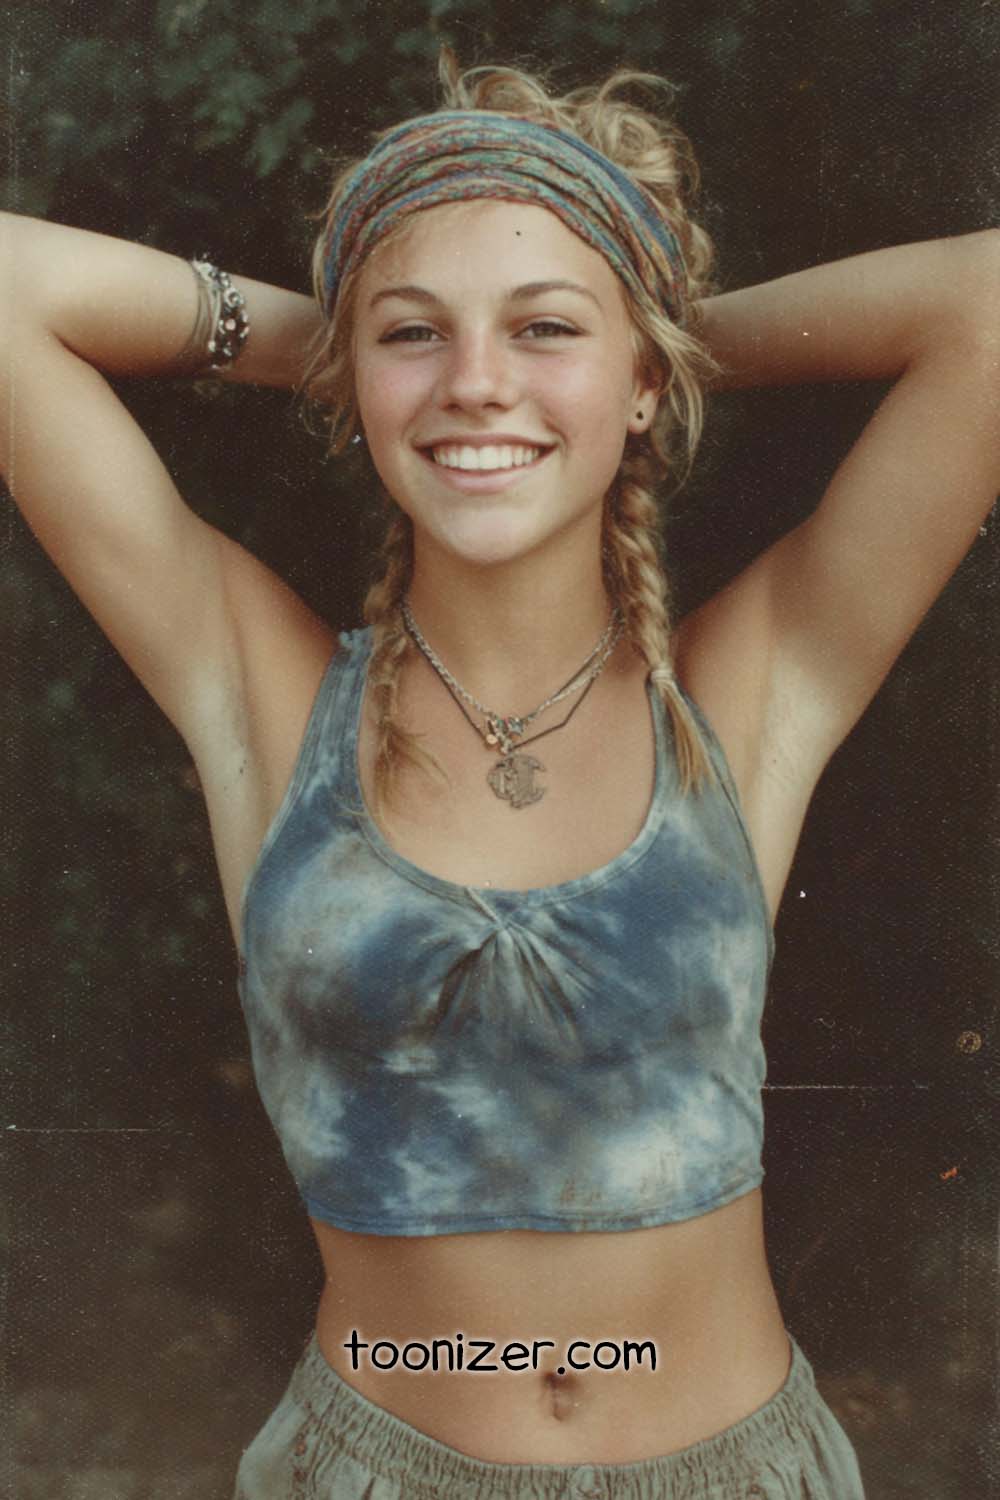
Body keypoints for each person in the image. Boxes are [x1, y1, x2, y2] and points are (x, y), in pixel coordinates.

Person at [2, 48, 996, 1500]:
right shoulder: (270, 704)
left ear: (647, 382)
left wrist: (651, 333)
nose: (477, 382)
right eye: (419, 336)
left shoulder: (743, 696)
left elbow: (988, 304)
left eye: (543, 330)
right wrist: (344, 354)